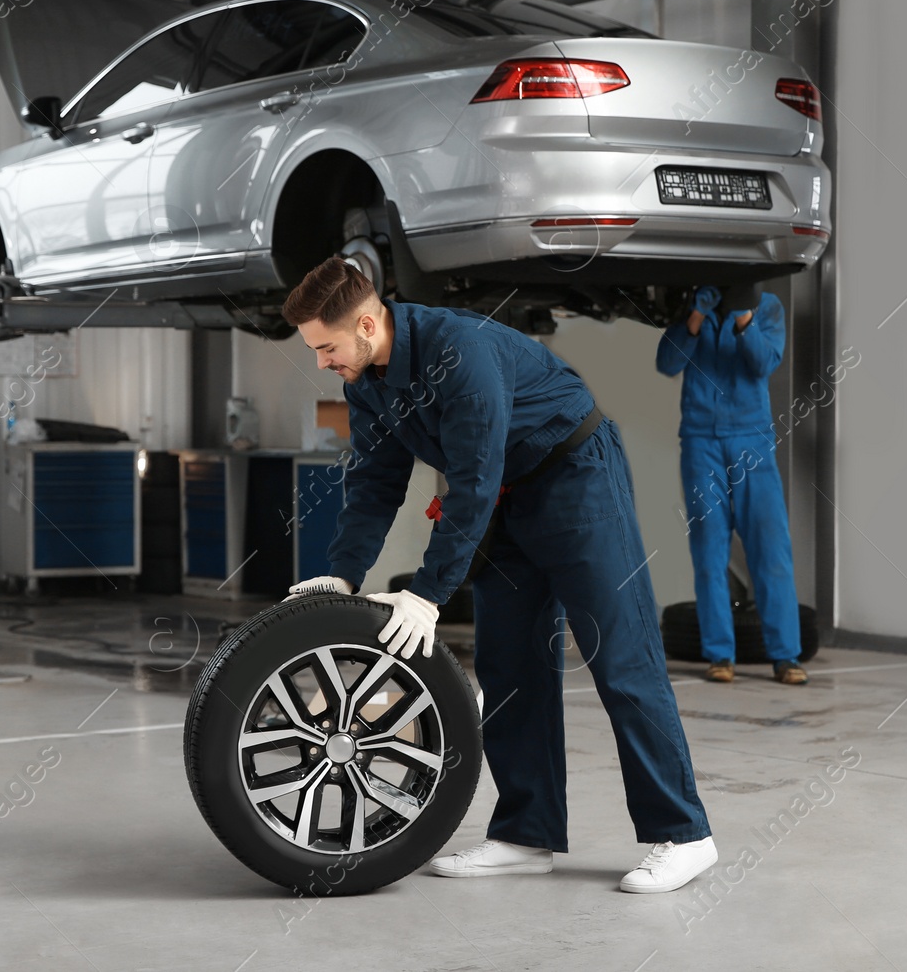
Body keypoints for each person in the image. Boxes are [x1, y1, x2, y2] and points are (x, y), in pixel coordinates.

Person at [282, 255, 716, 893]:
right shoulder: (366, 383)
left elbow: (473, 483)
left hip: (574, 477)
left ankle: (684, 834)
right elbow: (374, 484)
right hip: (505, 496)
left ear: (368, 324)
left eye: (327, 346)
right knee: (510, 667)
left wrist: (427, 594)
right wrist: (345, 575)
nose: (321, 361)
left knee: (621, 655)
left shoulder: (460, 353)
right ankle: (525, 834)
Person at [655, 283, 807, 685]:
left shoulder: (769, 308)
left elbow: (763, 363)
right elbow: (668, 363)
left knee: (770, 547)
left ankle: (786, 656)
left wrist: (744, 319)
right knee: (708, 549)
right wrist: (695, 316)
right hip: (701, 441)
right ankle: (720, 655)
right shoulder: (691, 305)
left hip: (751, 441)